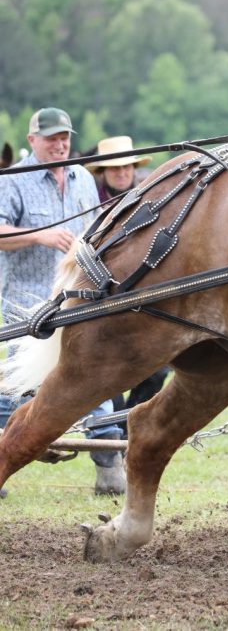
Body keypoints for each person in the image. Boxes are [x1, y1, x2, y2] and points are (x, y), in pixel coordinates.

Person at [0, 108, 127, 497]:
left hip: (76, 297)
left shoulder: (84, 179)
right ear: (33, 139)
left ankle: (108, 461)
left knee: (94, 371)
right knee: (16, 385)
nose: (60, 144)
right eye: (52, 138)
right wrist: (39, 236)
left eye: (64, 137)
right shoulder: (12, 180)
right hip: (26, 298)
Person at [88, 135, 168, 426]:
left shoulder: (149, 198)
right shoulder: (90, 203)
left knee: (158, 371)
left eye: (127, 167)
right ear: (103, 173)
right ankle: (116, 429)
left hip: (138, 293)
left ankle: (127, 426)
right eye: (114, 169)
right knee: (110, 376)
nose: (122, 173)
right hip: (100, 294)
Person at [87, 135, 151, 203]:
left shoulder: (148, 199)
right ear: (102, 172)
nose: (121, 174)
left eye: (126, 166)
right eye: (114, 168)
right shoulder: (91, 204)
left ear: (133, 168)